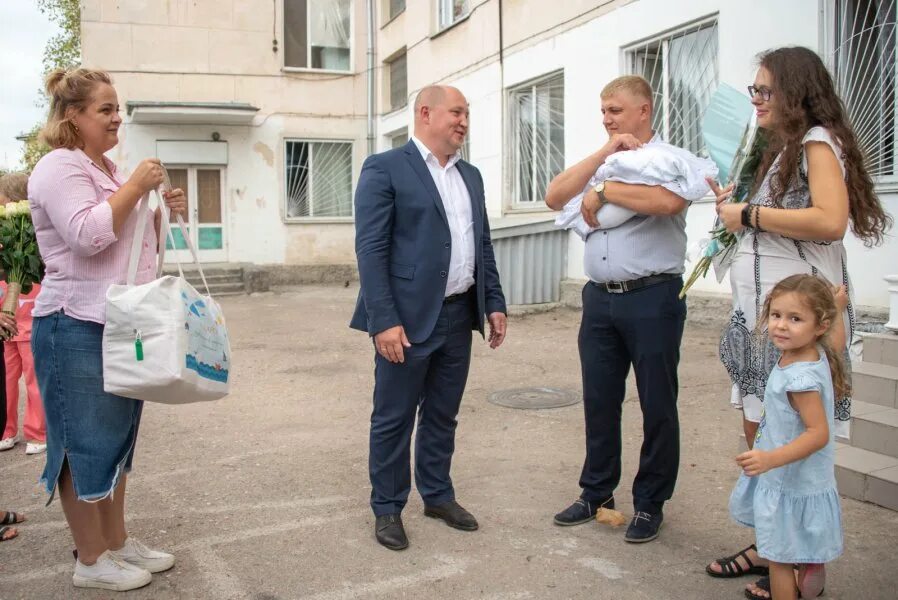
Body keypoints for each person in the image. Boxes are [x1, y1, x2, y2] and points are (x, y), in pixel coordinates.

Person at [705, 47, 891, 598]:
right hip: (766, 323)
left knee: (795, 443)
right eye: (753, 90)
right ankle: (772, 550)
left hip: (798, 326)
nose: (755, 100)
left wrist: (750, 215)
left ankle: (801, 568)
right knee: (766, 437)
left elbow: (830, 222)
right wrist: (733, 213)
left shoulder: (814, 142)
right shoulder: (781, 149)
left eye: (765, 90)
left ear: (795, 92)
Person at [28, 67, 187, 591]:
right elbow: (87, 236)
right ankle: (91, 559)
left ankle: (116, 542)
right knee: (82, 442)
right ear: (73, 116)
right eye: (105, 109)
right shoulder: (59, 167)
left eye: (118, 108)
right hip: (74, 323)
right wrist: (138, 186)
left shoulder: (108, 171)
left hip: (118, 322)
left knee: (118, 438)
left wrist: (163, 210)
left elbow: (138, 247)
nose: (117, 117)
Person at [350, 85, 507, 551]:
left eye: (466, 114)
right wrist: (383, 319)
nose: (463, 121)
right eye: (456, 112)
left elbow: (482, 246)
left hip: (459, 316)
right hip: (406, 319)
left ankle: (437, 495)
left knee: (443, 414)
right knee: (394, 418)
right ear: (425, 113)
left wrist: (493, 301)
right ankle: (388, 508)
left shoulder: (471, 176)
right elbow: (371, 249)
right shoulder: (385, 168)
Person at [544, 75, 692, 543]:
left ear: (644, 111)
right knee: (599, 401)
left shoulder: (666, 160)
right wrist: (602, 157)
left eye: (616, 110)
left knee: (657, 405)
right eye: (603, 110)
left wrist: (604, 192)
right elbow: (554, 195)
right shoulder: (608, 160)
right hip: (600, 299)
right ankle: (596, 492)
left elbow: (668, 202)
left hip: (653, 297)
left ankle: (650, 504)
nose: (607, 118)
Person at [729, 274, 847, 600]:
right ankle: (811, 567)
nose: (781, 325)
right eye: (777, 315)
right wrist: (836, 308)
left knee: (778, 559)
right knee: (793, 544)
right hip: (799, 479)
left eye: (795, 319)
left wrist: (769, 458)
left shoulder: (800, 379)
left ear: (818, 326)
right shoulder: (816, 351)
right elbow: (836, 339)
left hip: (787, 480)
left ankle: (800, 578)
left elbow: (818, 434)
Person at [0, 171, 46, 455]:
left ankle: (38, 433)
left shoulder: (36, 234)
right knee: (4, 380)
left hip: (32, 321)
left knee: (35, 380)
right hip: (5, 321)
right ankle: (5, 430)